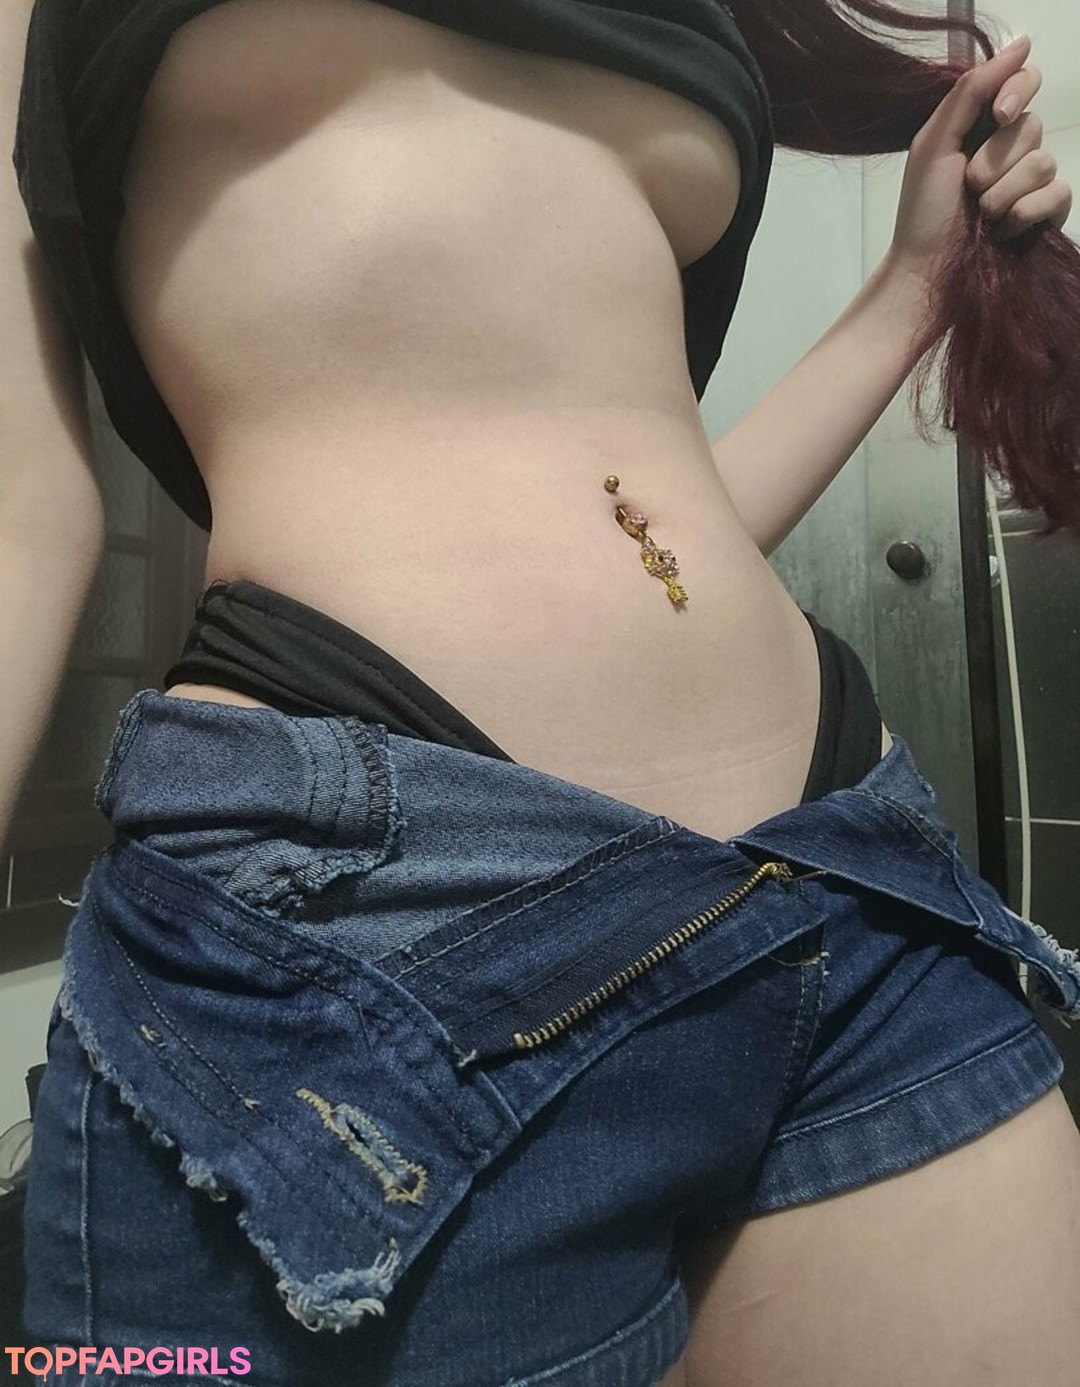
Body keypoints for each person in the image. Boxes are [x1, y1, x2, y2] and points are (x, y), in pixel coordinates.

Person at [3, 1, 1080, 1383]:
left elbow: (641, 501)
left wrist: (913, 283)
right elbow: (20, 513)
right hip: (371, 938)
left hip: (842, 879)